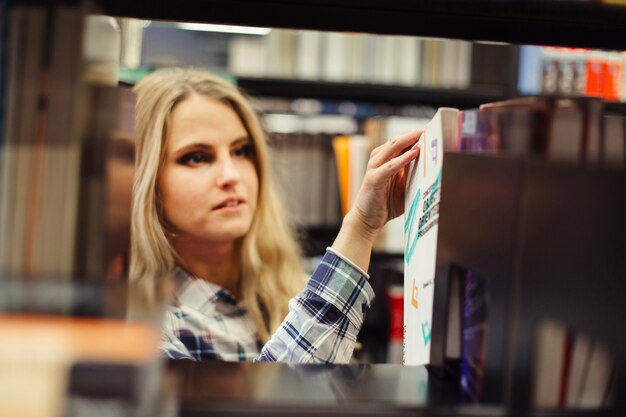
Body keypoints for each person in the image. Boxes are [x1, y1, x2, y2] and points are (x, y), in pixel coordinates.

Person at [130, 67, 422, 363]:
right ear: (144, 178)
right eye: (196, 157)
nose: (231, 175)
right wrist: (360, 227)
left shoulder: (287, 286)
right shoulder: (138, 327)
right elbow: (281, 399)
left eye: (241, 151)